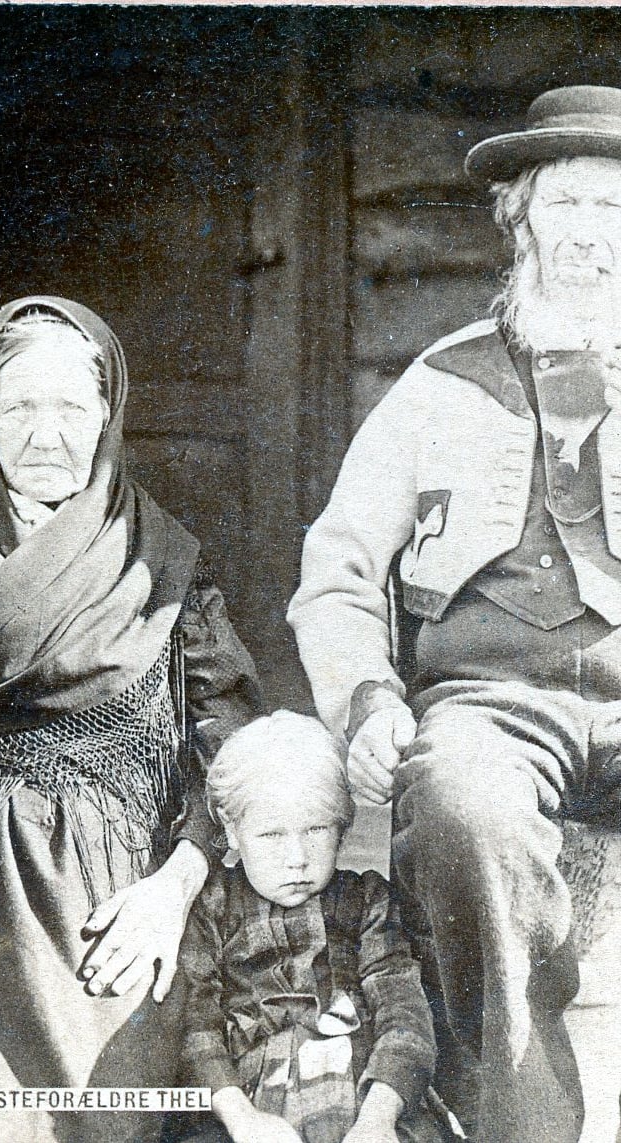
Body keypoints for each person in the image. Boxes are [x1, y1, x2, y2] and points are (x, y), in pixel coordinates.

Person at [287, 85, 621, 1143]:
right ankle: (523, 1126)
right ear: (520, 221)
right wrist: (366, 698)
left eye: (614, 207)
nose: (590, 234)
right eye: (565, 203)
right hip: (493, 708)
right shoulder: (441, 382)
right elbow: (339, 567)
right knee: (460, 803)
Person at [0, 296, 262, 1143]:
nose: (46, 435)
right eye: (19, 409)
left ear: (108, 414)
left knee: (125, 1121)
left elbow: (232, 740)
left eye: (72, 408)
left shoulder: (163, 560)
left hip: (124, 913)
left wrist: (175, 888)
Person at [177, 711, 440, 1143]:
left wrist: (377, 1120)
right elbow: (195, 1028)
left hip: (365, 1098)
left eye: (316, 829)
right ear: (231, 827)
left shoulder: (367, 900)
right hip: (241, 1108)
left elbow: (404, 1014)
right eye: (272, 835)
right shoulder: (211, 908)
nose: (296, 858)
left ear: (343, 826)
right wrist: (242, 1120)